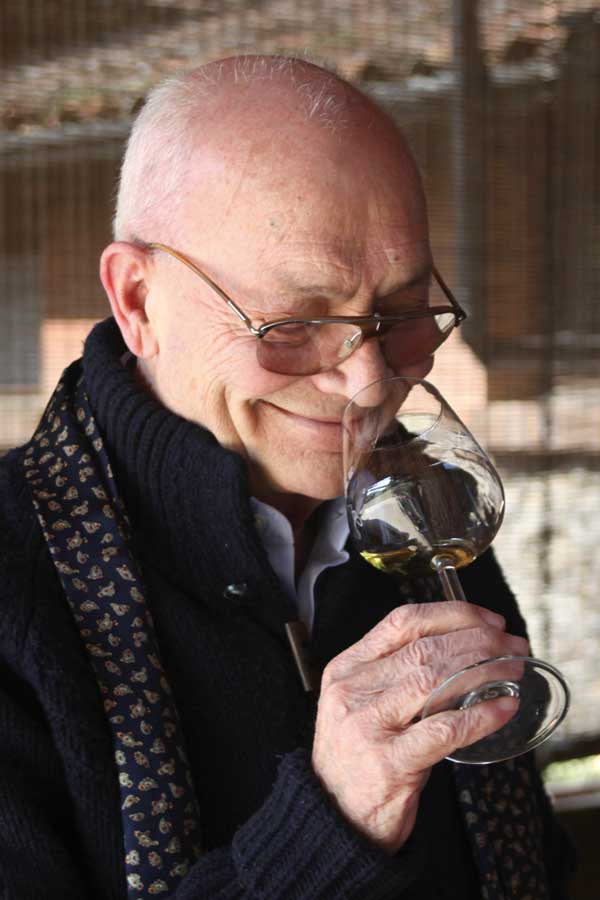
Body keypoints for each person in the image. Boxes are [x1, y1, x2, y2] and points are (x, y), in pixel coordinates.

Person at [0, 55, 573, 899]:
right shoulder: (18, 582)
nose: (369, 384)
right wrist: (331, 826)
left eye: (402, 312)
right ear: (138, 300)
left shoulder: (418, 508)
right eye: (295, 323)